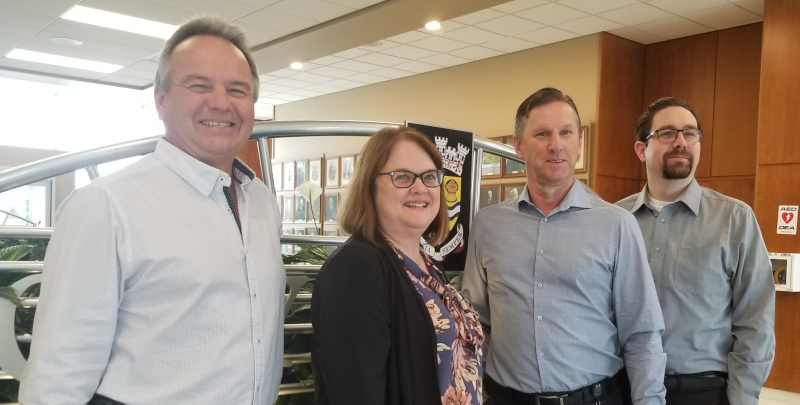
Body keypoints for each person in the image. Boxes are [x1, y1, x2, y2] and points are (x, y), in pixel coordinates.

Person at [19, 15, 286, 404]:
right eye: (199, 85)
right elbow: (59, 373)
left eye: (238, 89)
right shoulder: (106, 205)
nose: (221, 102)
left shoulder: (260, 200)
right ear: (160, 99)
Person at [462, 87, 667, 405]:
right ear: (518, 145)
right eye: (542, 133)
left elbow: (642, 333)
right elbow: (476, 324)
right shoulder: (488, 226)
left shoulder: (616, 225)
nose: (555, 145)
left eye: (566, 132)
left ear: (580, 142)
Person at [615, 97, 775, 405]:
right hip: (623, 388)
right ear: (641, 149)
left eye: (690, 133)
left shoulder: (734, 219)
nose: (680, 142)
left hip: (703, 393)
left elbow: (756, 320)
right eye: (667, 133)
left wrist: (742, 397)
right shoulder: (614, 221)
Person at [311, 126, 485, 405]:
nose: (420, 188)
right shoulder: (355, 269)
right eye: (402, 176)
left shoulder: (426, 264)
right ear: (369, 186)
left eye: (429, 177)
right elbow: (356, 393)